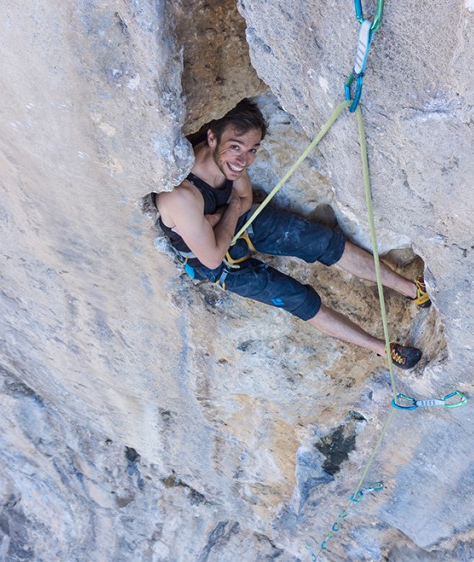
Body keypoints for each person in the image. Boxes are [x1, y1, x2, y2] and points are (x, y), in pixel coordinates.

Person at [154, 100, 430, 369]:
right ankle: (383, 349)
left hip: (235, 222)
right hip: (208, 260)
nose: (243, 159)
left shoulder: (230, 163)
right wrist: (232, 208)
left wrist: (223, 215)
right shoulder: (182, 196)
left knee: (321, 241)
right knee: (298, 299)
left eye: (252, 149)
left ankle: (412, 289)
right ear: (212, 137)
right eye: (235, 147)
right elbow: (213, 257)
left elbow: (245, 198)